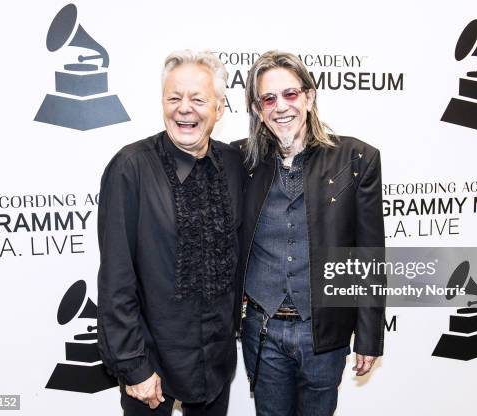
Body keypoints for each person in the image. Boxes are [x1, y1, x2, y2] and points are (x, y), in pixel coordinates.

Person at [233, 50, 386, 416]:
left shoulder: (356, 159)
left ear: (309, 96)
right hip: (262, 330)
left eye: (290, 94)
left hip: (323, 333)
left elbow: (368, 255)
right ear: (257, 109)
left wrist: (369, 335)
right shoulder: (240, 162)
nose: (281, 106)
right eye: (268, 98)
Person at [97, 50, 242, 416]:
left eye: (198, 99)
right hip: (152, 365)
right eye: (174, 98)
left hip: (216, 362)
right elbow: (116, 277)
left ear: (220, 108)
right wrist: (134, 366)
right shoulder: (131, 168)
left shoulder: (234, 165)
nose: (184, 108)